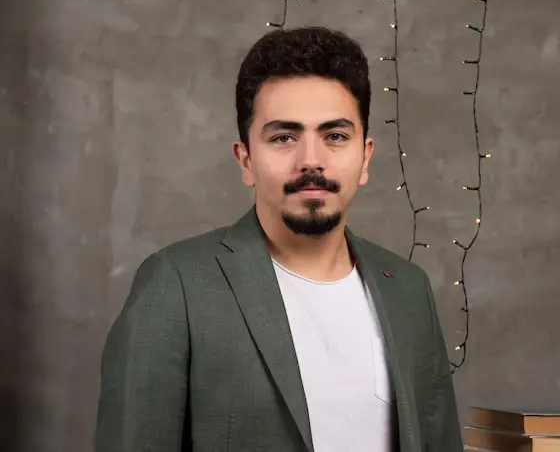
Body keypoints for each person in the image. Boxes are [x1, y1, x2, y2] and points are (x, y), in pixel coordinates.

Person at [94, 26, 463, 452]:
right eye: (284, 137)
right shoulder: (176, 286)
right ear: (246, 160)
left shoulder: (409, 290)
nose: (311, 161)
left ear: (365, 157)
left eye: (335, 136)